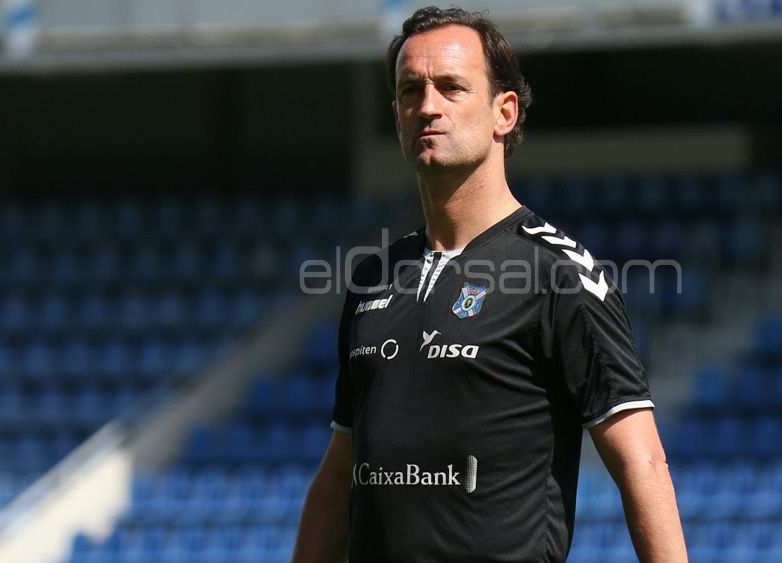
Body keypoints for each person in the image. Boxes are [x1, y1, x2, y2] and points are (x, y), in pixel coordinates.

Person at [292, 6, 688, 562]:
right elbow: (339, 474)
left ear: (504, 112)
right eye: (410, 90)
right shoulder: (372, 277)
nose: (426, 106)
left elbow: (640, 461)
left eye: (451, 87)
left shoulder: (559, 273)